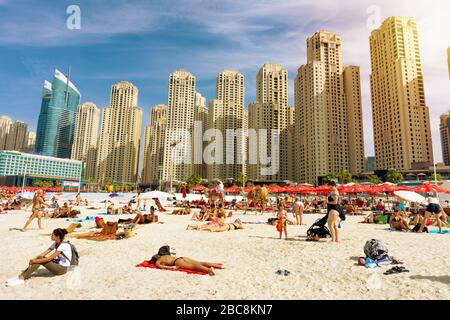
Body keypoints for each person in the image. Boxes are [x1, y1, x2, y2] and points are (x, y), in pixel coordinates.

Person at [6, 228, 72, 286]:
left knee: (39, 260)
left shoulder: (64, 245)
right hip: (58, 264)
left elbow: (50, 258)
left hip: (62, 269)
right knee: (39, 258)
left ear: (57, 236)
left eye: (52, 234)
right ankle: (21, 276)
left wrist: (34, 261)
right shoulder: (55, 243)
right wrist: (33, 259)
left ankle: (22, 278)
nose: (51, 236)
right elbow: (43, 254)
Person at [151, 254, 224, 276]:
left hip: (177, 262)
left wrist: (171, 267)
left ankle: (208, 270)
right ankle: (218, 266)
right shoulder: (165, 255)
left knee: (193, 267)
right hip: (181, 257)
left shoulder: (158, 261)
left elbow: (160, 266)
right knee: (200, 262)